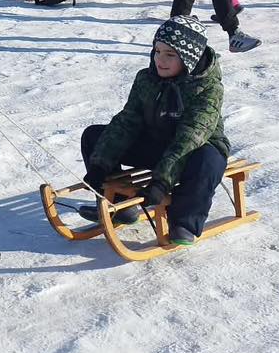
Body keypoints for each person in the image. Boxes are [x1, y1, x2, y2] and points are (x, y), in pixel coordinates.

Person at [77, 15, 230, 246]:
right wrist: (100, 165)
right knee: (94, 136)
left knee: (209, 161)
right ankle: (120, 206)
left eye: (170, 54)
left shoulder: (208, 88)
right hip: (156, 143)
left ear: (189, 58)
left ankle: (184, 222)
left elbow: (191, 137)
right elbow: (127, 122)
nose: (160, 60)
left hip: (194, 149)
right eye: (157, 51)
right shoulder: (146, 79)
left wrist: (161, 183)